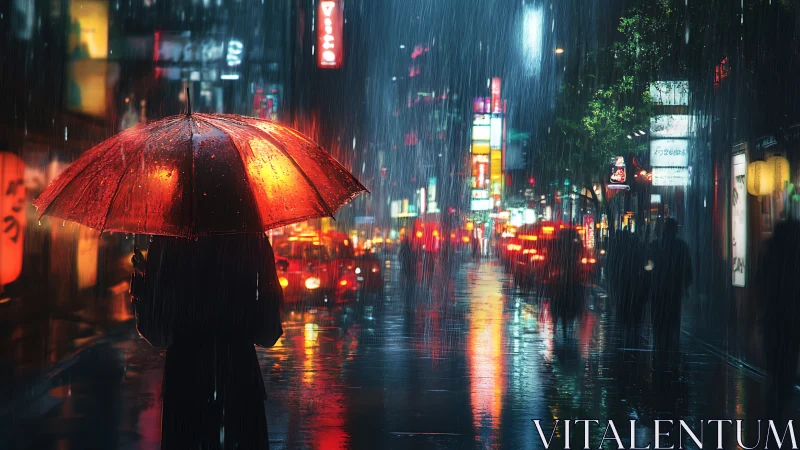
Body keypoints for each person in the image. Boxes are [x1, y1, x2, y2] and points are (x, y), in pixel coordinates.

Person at [131, 233, 283, 450]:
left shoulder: (168, 239)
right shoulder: (252, 240)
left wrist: (145, 283)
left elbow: (157, 332)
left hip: (185, 385)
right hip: (239, 382)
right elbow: (268, 333)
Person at [757, 219, 800, 422]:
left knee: (774, 371)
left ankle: (773, 413)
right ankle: (780, 409)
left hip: (773, 323)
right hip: (791, 325)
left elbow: (760, 290)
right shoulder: (795, 261)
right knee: (787, 372)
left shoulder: (769, 257)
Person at [649, 218, 692, 355]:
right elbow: (688, 270)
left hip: (658, 291)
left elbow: (648, 268)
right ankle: (671, 349)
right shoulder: (682, 247)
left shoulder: (655, 246)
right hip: (673, 291)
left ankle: (659, 347)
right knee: (673, 322)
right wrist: (684, 284)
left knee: (659, 322)